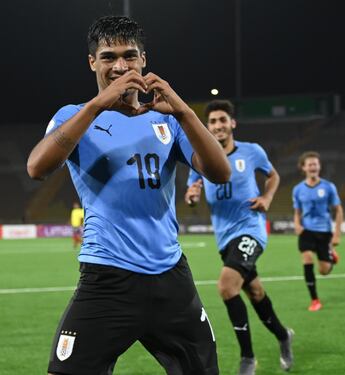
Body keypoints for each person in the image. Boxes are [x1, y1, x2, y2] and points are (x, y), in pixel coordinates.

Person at [27, 15, 231, 375]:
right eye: (108, 57)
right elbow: (37, 168)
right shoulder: (74, 115)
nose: (120, 66)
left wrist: (184, 112)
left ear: (144, 60)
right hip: (106, 279)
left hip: (171, 279)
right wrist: (96, 106)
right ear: (92, 62)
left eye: (129, 56)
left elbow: (219, 172)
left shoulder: (168, 120)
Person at [185, 100, 294, 375]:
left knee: (226, 285)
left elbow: (273, 176)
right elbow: (192, 192)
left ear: (232, 123)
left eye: (223, 120)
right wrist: (192, 196)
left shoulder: (252, 151)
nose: (218, 125)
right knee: (255, 292)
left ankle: (247, 358)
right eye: (213, 122)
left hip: (251, 229)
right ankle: (283, 336)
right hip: (225, 238)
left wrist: (268, 197)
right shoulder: (200, 157)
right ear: (207, 127)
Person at [292, 151, 343, 312]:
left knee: (324, 271)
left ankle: (331, 256)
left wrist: (336, 234)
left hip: (324, 232)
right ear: (303, 168)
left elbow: (338, 210)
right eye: (310, 164)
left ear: (319, 167)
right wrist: (297, 224)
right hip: (306, 231)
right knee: (306, 258)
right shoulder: (298, 189)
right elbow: (297, 211)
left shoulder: (329, 187)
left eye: (315, 164)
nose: (313, 167)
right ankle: (315, 300)